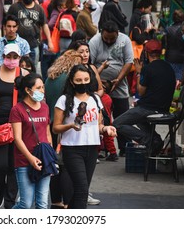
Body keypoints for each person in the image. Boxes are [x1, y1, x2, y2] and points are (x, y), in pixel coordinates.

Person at [53, 64, 117, 208]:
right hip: (72, 148)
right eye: (79, 80)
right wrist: (70, 126)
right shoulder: (64, 100)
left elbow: (98, 125)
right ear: (71, 82)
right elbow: (55, 128)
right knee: (82, 189)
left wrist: (106, 128)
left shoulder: (95, 99)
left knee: (80, 190)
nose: (83, 83)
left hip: (92, 149)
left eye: (86, 79)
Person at [113, 39, 176, 155]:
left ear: (146, 53)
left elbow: (141, 92)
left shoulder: (148, 69)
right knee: (139, 119)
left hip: (149, 108)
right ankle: (155, 139)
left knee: (117, 123)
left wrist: (138, 73)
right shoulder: (169, 67)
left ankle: (150, 140)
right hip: (163, 107)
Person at [0, 44, 29, 209]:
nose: (11, 60)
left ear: (19, 58)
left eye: (15, 57)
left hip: (18, 124)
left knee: (14, 164)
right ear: (2, 56)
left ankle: (10, 200)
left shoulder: (24, 74)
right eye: (8, 56)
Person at [45, 50, 83, 208]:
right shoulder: (69, 80)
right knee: (66, 165)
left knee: (54, 165)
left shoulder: (51, 78)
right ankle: (67, 202)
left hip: (50, 125)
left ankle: (55, 200)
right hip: (65, 126)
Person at [89, 21, 133, 155]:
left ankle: (124, 146)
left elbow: (129, 62)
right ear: (101, 33)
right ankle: (103, 148)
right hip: (100, 85)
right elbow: (90, 64)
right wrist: (98, 81)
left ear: (117, 34)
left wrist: (118, 80)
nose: (108, 41)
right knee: (103, 118)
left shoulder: (125, 40)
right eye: (106, 38)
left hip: (119, 85)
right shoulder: (95, 41)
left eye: (112, 39)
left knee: (123, 116)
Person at [9, 73, 52, 209]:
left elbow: (47, 132)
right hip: (24, 160)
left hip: (43, 159)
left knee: (43, 204)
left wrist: (49, 156)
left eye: (43, 88)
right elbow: (17, 138)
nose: (42, 91)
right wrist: (30, 158)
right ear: (28, 90)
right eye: (38, 88)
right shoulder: (17, 110)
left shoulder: (45, 107)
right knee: (25, 204)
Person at [7, 0, 54, 66]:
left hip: (33, 45)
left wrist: (50, 41)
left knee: (33, 69)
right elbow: (6, 24)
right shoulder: (14, 7)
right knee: (16, 68)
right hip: (16, 45)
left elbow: (44, 25)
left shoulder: (39, 9)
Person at [162, 9, 184, 87]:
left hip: (171, 58)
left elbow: (164, 43)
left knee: (171, 80)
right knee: (182, 81)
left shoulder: (168, 29)